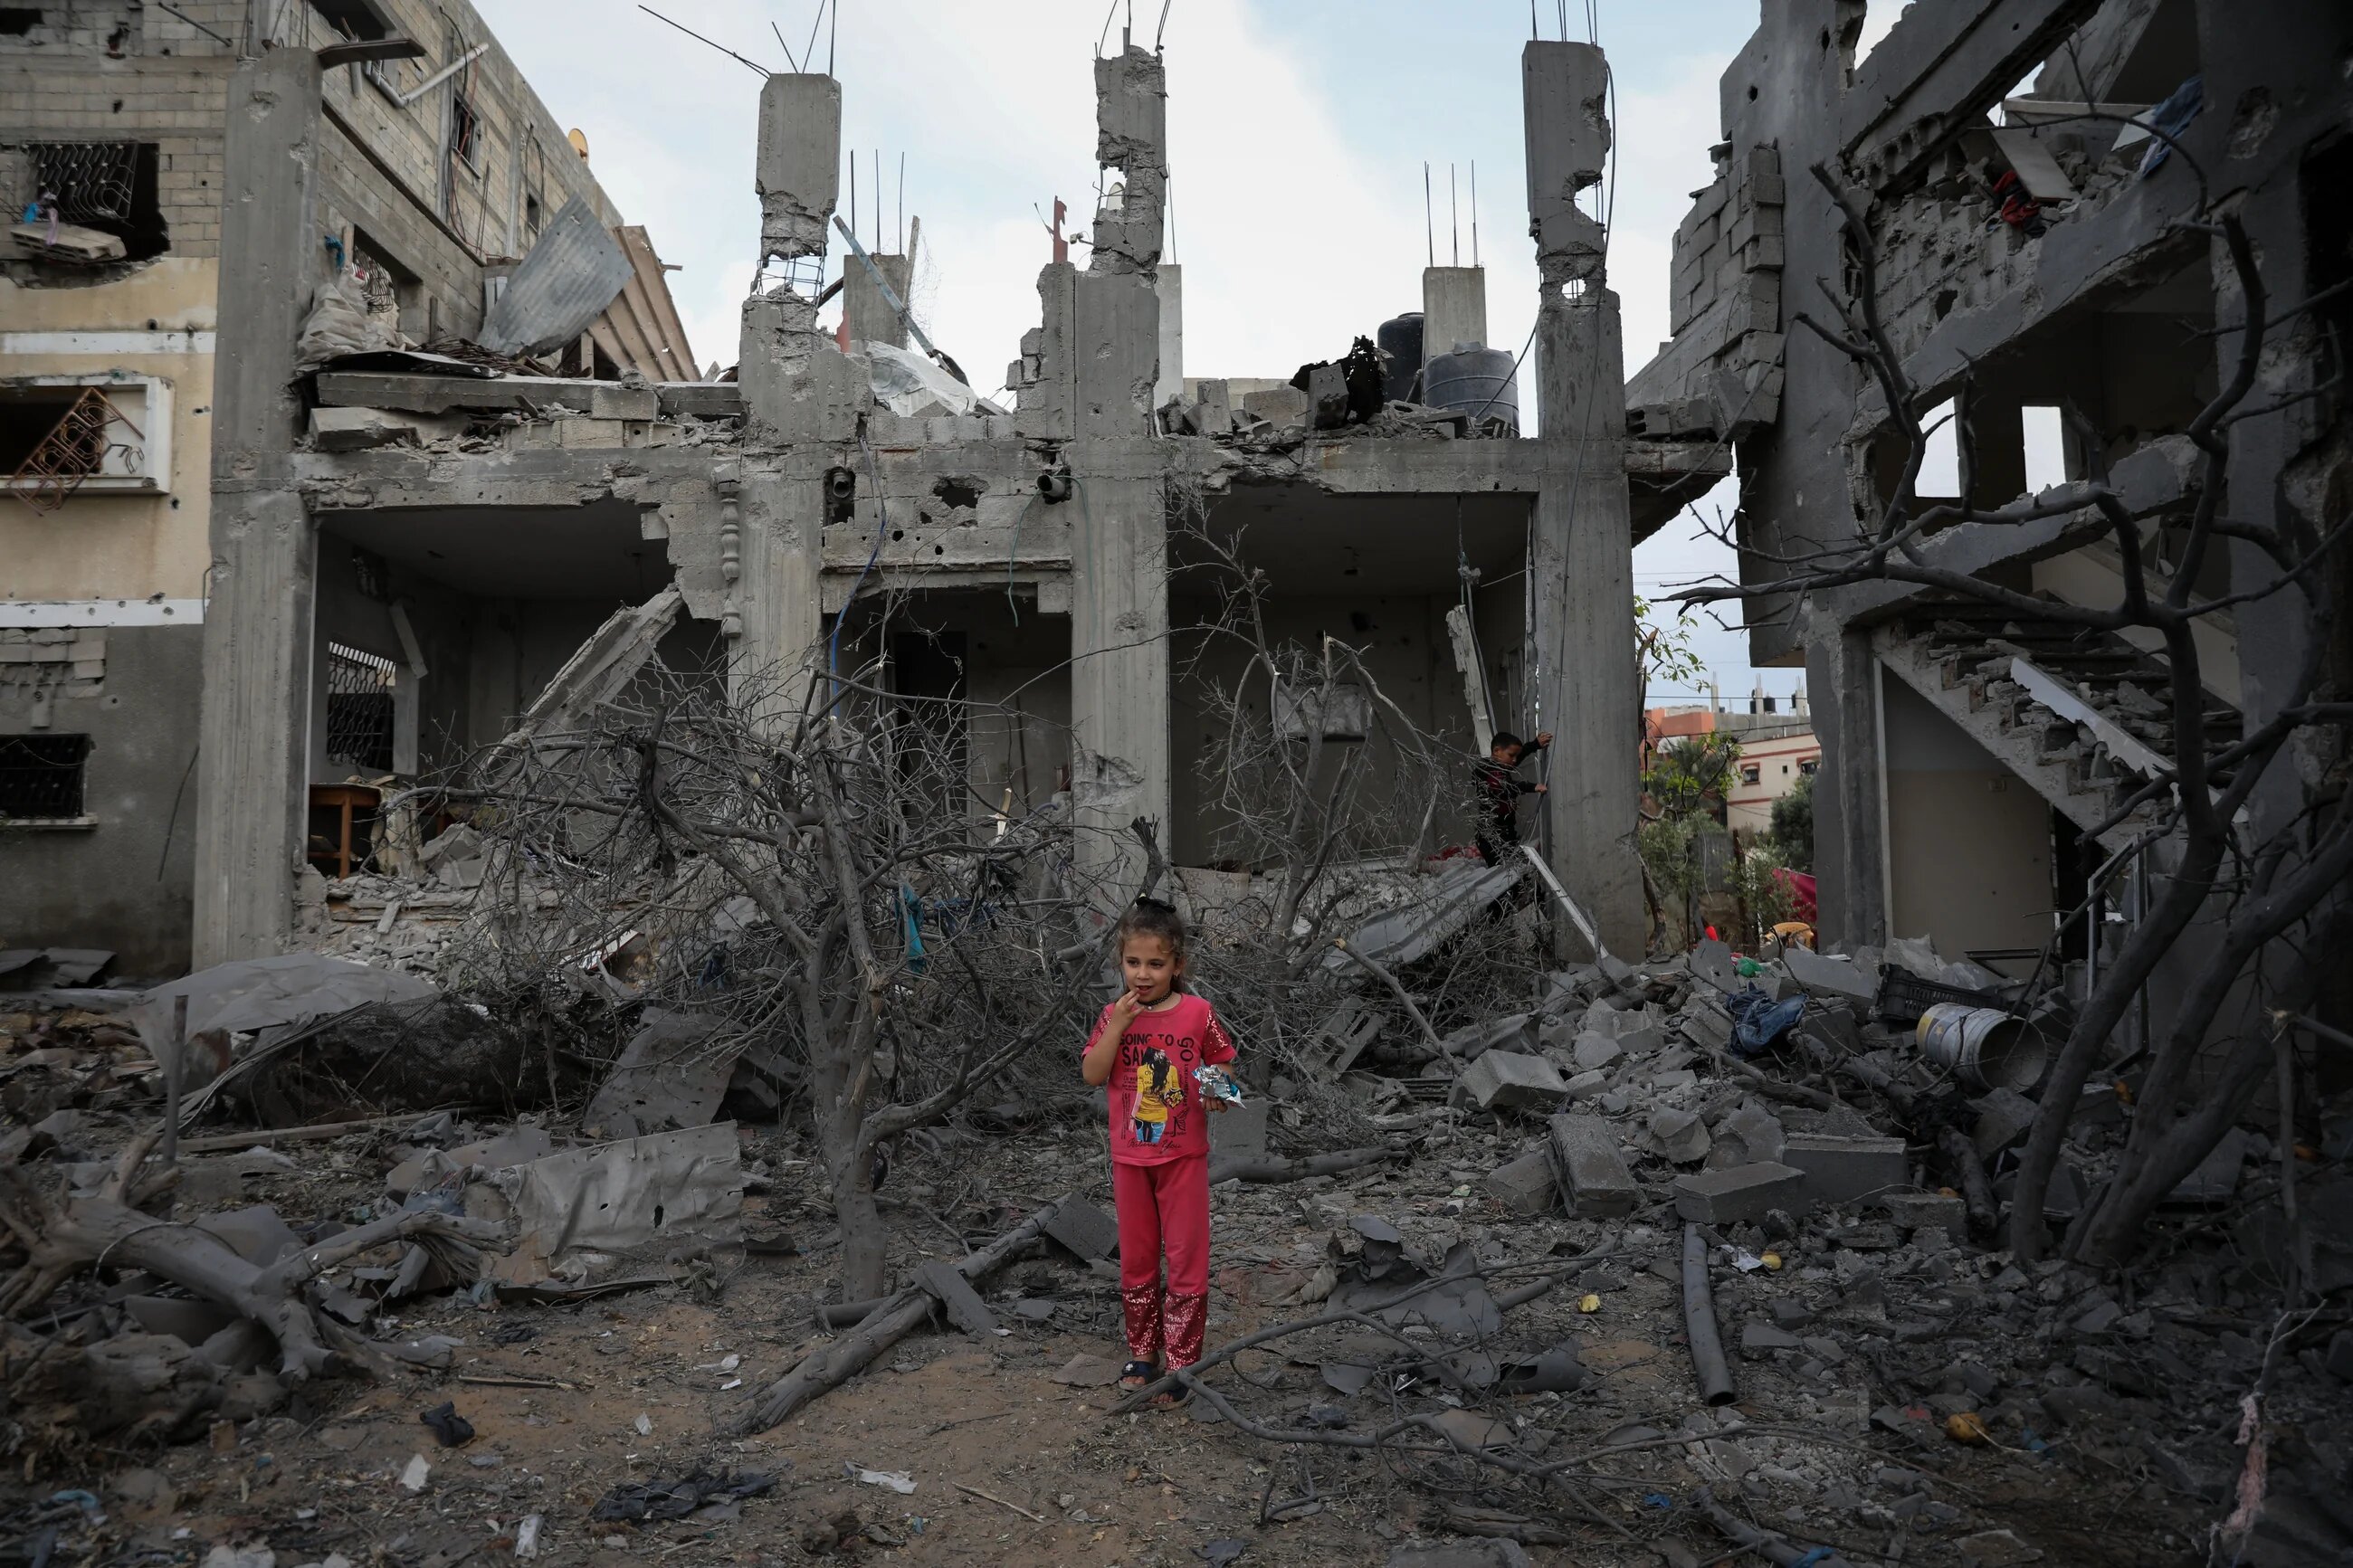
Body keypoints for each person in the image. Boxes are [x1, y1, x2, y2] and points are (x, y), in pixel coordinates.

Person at [1080, 896, 1237, 1402]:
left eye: (1155, 964)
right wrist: (1118, 1026)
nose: (1143, 974)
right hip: (1131, 1159)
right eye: (1133, 962)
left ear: (1177, 965)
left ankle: (1183, 1361)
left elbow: (1224, 1063)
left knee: (1187, 1257)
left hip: (1184, 1158)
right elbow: (1092, 1073)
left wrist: (1216, 1090)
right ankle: (1143, 1352)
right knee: (1138, 1257)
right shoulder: (1113, 1015)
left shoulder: (1198, 1013)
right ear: (1120, 963)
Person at [1472, 728, 1552, 865]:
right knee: (1504, 870)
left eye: (1516, 756)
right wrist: (1532, 787)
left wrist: (1535, 744)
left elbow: (1518, 756)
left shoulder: (1502, 765)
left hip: (1506, 830)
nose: (1514, 760)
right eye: (1511, 755)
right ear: (1496, 751)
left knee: (1514, 866)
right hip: (1491, 835)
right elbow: (1504, 786)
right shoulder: (1484, 770)